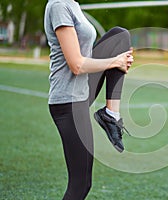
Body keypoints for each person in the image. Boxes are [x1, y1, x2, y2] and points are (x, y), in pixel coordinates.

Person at [44, 0, 134, 199]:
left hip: (82, 89)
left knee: (119, 36)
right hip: (68, 101)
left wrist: (118, 59)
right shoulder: (59, 5)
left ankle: (110, 115)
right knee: (81, 184)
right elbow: (76, 64)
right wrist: (115, 62)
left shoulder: (73, 4)